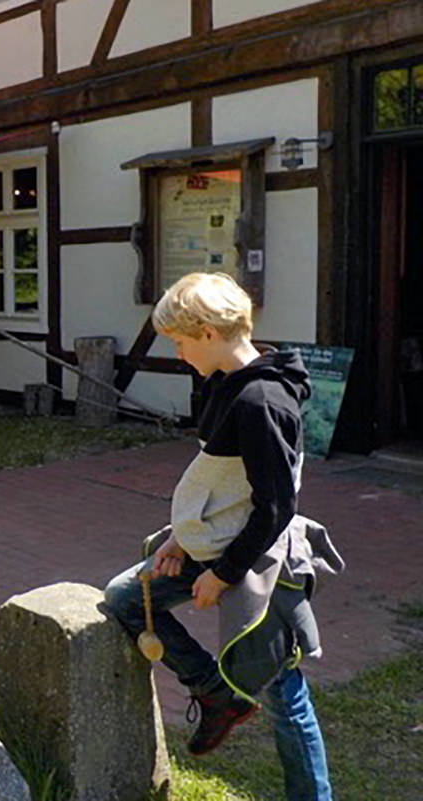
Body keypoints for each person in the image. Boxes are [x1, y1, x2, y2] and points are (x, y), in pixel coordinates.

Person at [103, 272, 341, 801]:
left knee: (284, 694)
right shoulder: (221, 385)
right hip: (212, 545)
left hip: (259, 560)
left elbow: (276, 506)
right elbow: (221, 482)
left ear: (208, 332)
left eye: (181, 341)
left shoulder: (262, 402)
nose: (179, 352)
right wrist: (181, 539)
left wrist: (222, 574)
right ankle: (216, 693)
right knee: (126, 598)